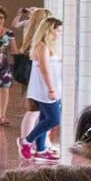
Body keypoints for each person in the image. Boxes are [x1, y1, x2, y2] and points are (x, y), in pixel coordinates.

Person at [22, 14, 65, 160]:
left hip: (51, 88)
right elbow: (45, 69)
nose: (60, 34)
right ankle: (27, 141)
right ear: (49, 30)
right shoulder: (42, 46)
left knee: (44, 118)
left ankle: (41, 149)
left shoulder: (49, 47)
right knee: (54, 119)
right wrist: (51, 88)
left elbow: (52, 64)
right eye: (58, 31)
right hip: (46, 89)